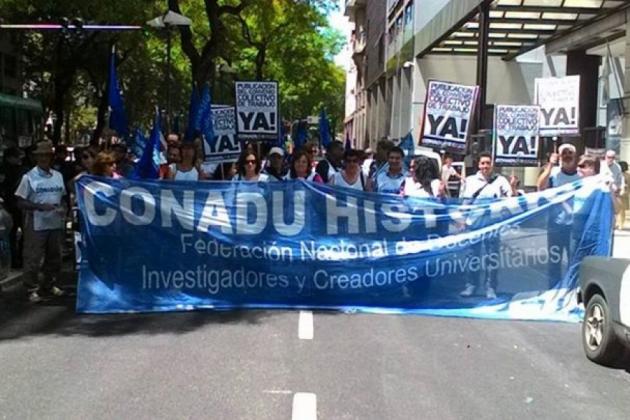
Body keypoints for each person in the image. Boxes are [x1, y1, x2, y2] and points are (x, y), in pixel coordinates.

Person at [14, 141, 67, 303]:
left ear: (51, 157)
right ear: (35, 158)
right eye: (40, 156)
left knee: (55, 257)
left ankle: (49, 284)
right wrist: (39, 206)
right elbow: (20, 201)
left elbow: (63, 197)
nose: (44, 158)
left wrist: (64, 208)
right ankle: (31, 288)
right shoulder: (28, 177)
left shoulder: (58, 176)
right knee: (33, 257)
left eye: (46, 155)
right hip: (36, 223)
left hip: (55, 222)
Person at [460, 152, 517, 299]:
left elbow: (511, 199)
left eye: (488, 163)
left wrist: (513, 186)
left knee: (492, 257)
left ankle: (491, 287)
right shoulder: (470, 181)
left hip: (493, 225)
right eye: (483, 163)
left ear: (492, 165)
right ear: (478, 165)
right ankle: (471, 285)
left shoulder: (500, 180)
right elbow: (465, 202)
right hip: (474, 224)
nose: (485, 166)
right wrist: (462, 220)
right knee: (472, 257)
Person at [536, 143, 579, 288]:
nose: (567, 156)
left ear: (574, 156)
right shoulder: (553, 173)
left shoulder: (581, 175)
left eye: (570, 153)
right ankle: (553, 289)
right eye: (564, 153)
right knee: (554, 261)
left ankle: (571, 289)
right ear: (560, 156)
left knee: (573, 260)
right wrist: (550, 165)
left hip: (574, 226)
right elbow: (540, 186)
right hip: (556, 225)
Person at [1, 147, 26, 268]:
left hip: (19, 205)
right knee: (9, 234)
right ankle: (13, 259)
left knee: (24, 233)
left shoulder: (20, 169)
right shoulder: (3, 170)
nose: (19, 160)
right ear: (9, 157)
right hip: (8, 205)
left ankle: (20, 257)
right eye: (16, 157)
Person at [619, 161, 629, 229]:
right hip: (624, 194)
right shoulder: (628, 175)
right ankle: (621, 224)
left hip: (618, 193)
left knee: (618, 210)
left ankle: (619, 224)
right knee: (622, 211)